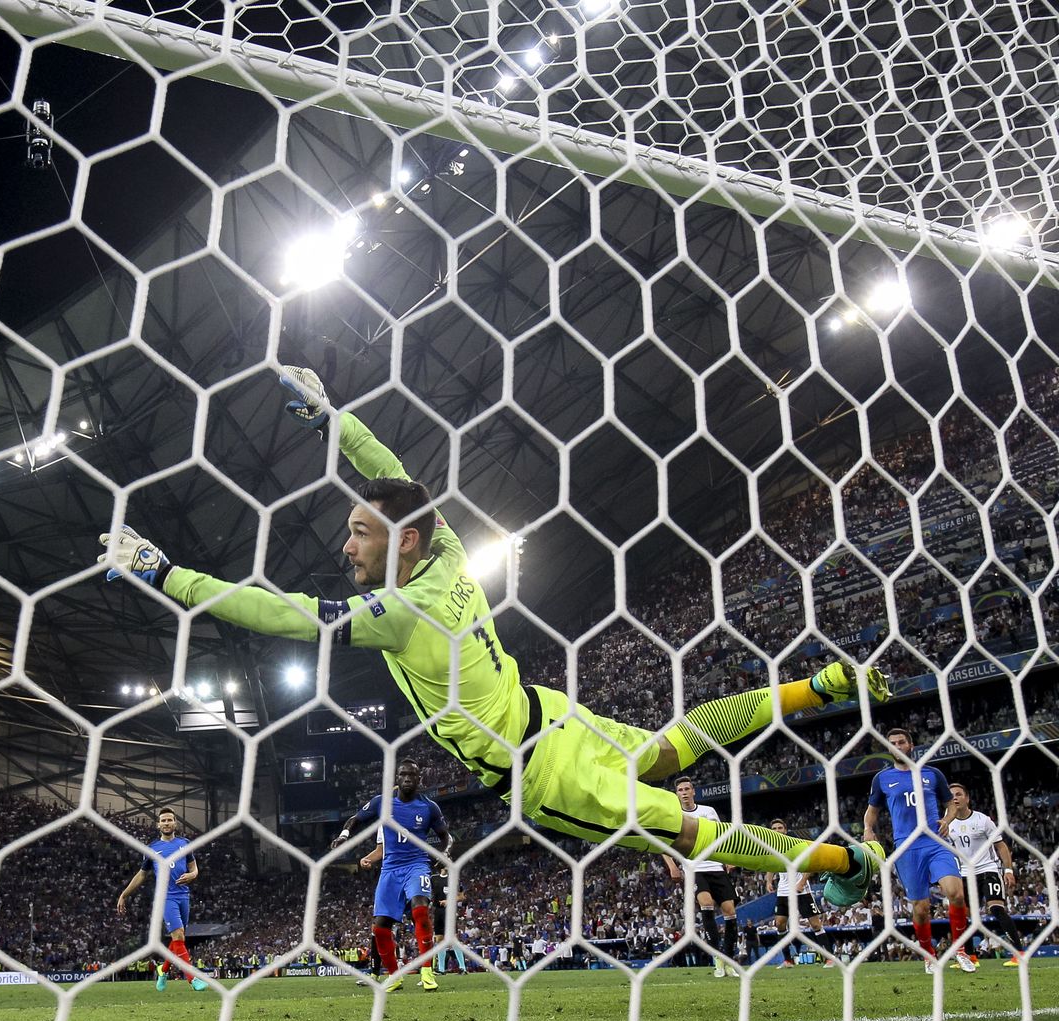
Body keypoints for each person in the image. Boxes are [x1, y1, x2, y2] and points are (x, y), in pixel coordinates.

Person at [97, 366, 889, 898]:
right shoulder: (440, 548)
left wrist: (168, 575)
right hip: (551, 713)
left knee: (690, 833)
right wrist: (330, 418)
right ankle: (816, 687)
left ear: (399, 541)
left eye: (360, 535)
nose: (347, 547)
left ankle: (843, 862)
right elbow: (395, 471)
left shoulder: (398, 615)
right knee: (669, 745)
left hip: (540, 773)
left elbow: (282, 614)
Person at [334, 760, 453, 991]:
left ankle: (427, 972)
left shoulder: (429, 807)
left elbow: (446, 836)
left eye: (412, 775)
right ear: (396, 778)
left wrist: (445, 852)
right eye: (403, 775)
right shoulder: (382, 803)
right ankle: (393, 975)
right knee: (379, 927)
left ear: (420, 779)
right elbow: (355, 819)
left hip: (417, 864)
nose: (408, 778)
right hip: (390, 869)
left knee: (420, 909)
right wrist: (344, 836)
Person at [863, 728, 975, 974]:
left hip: (935, 843)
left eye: (901, 742)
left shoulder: (932, 774)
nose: (897, 746)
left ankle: (961, 951)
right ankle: (929, 955)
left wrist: (946, 820)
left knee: (955, 893)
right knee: (921, 908)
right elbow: (872, 811)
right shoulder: (882, 779)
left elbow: (951, 805)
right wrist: (868, 830)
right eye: (892, 743)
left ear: (911, 745)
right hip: (906, 848)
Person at [116, 808, 207, 992]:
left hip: (183, 895)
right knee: (178, 936)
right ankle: (193, 979)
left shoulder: (184, 843)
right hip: (165, 898)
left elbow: (194, 868)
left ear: (175, 823)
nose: (166, 823)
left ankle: (163, 970)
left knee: (178, 940)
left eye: (169, 820)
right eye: (163, 820)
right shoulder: (152, 849)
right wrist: (124, 894)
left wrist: (193, 875)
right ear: (158, 825)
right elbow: (142, 875)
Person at [660, 777, 739, 977]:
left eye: (687, 788)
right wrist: (672, 866)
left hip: (715, 865)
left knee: (730, 911)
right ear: (676, 794)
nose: (684, 792)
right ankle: (717, 959)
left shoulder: (708, 812)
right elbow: (662, 843)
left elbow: (723, 836)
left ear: (694, 791)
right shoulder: (674, 816)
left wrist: (729, 858)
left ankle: (729, 959)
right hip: (693, 867)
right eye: (680, 790)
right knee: (706, 903)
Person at [944, 783, 1025, 967]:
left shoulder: (983, 820)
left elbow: (1001, 845)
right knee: (963, 915)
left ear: (967, 798)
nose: (955, 798)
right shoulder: (947, 823)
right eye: (951, 796)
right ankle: (971, 957)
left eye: (958, 794)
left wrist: (1008, 870)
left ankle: (1019, 953)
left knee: (996, 908)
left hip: (987, 869)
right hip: (964, 874)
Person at [763, 817, 837, 968]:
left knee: (815, 924)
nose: (777, 831)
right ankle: (788, 960)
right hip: (783, 891)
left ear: (785, 830)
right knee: (780, 924)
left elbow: (810, 863)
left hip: (801, 890)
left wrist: (802, 882)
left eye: (780, 828)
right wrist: (768, 881)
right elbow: (771, 865)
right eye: (774, 829)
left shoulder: (795, 844)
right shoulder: (772, 847)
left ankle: (830, 958)